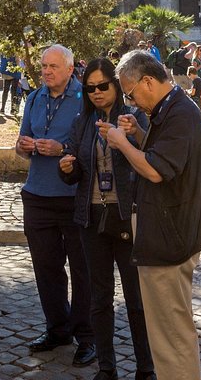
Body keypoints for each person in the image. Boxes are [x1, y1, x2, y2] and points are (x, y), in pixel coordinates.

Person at [107, 50, 201, 380]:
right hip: (168, 232)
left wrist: (121, 143)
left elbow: (155, 169)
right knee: (168, 330)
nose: (132, 102)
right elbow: (164, 152)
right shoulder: (173, 109)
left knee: (171, 334)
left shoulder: (179, 113)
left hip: (169, 238)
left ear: (148, 81)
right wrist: (138, 133)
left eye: (131, 94)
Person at [58, 58, 156, 380]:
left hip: (126, 217)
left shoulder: (133, 117)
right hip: (92, 219)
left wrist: (130, 136)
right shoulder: (82, 122)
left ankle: (146, 367)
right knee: (99, 298)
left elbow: (151, 158)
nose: (97, 93)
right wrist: (67, 167)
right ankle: (106, 367)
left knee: (136, 299)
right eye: (90, 88)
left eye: (103, 86)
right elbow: (73, 168)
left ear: (115, 85)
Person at [15, 45, 96, 367]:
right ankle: (57, 329)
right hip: (37, 195)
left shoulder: (86, 99)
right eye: (43, 66)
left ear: (69, 68)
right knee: (46, 269)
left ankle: (87, 336)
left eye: (52, 66)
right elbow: (22, 146)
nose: (46, 71)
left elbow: (92, 145)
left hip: (74, 196)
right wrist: (25, 146)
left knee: (82, 269)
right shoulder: (34, 98)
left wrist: (61, 148)